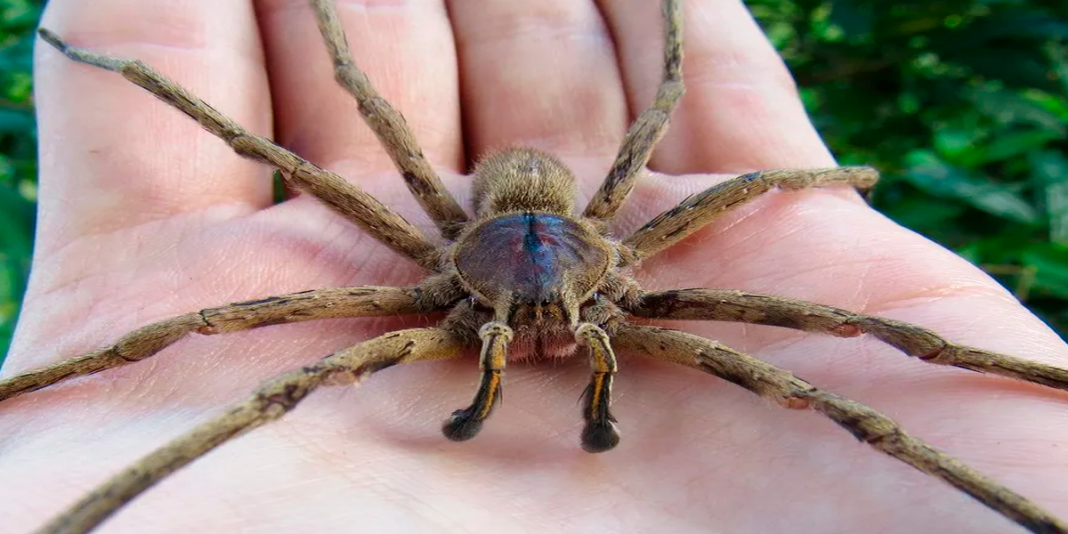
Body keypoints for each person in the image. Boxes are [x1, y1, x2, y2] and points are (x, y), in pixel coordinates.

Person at [4, 1, 1066, 532]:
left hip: (570, 235)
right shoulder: (420, 281)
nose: (555, 329)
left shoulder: (637, 256)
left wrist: (804, 173)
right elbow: (284, 153)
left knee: (839, 356)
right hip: (484, 244)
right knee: (253, 347)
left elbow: (668, 127)